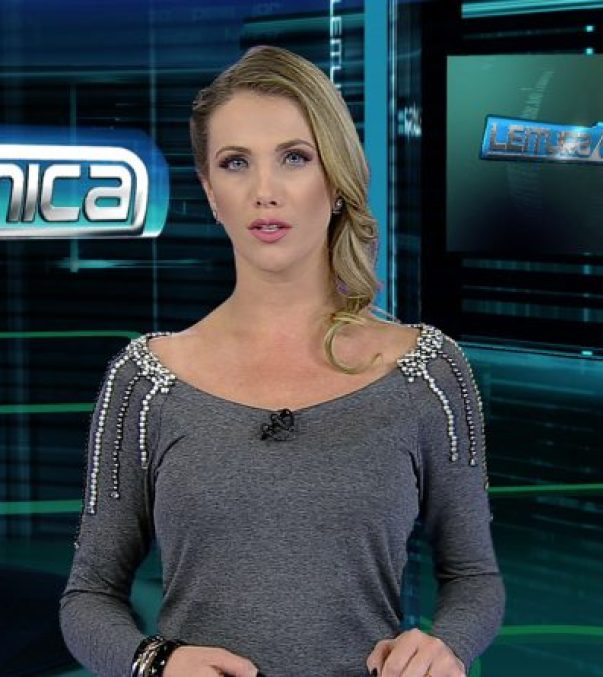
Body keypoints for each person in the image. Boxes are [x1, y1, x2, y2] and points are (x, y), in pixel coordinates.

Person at [59, 45, 505, 677]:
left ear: (337, 178)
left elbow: (474, 577)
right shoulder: (144, 382)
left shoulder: (429, 372)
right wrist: (155, 663)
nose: (264, 192)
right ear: (210, 191)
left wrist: (446, 645)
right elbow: (88, 597)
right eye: (235, 163)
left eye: (294, 157)